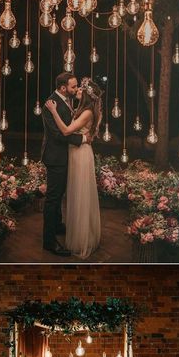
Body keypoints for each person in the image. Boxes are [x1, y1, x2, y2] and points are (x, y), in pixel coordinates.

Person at [45, 77, 102, 260]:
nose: (77, 89)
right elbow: (57, 134)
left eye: (79, 87)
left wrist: (83, 138)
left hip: (77, 155)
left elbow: (69, 130)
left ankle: (69, 229)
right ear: (63, 88)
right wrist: (82, 139)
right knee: (56, 197)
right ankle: (49, 240)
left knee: (75, 193)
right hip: (61, 156)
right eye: (74, 86)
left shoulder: (83, 109)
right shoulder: (52, 103)